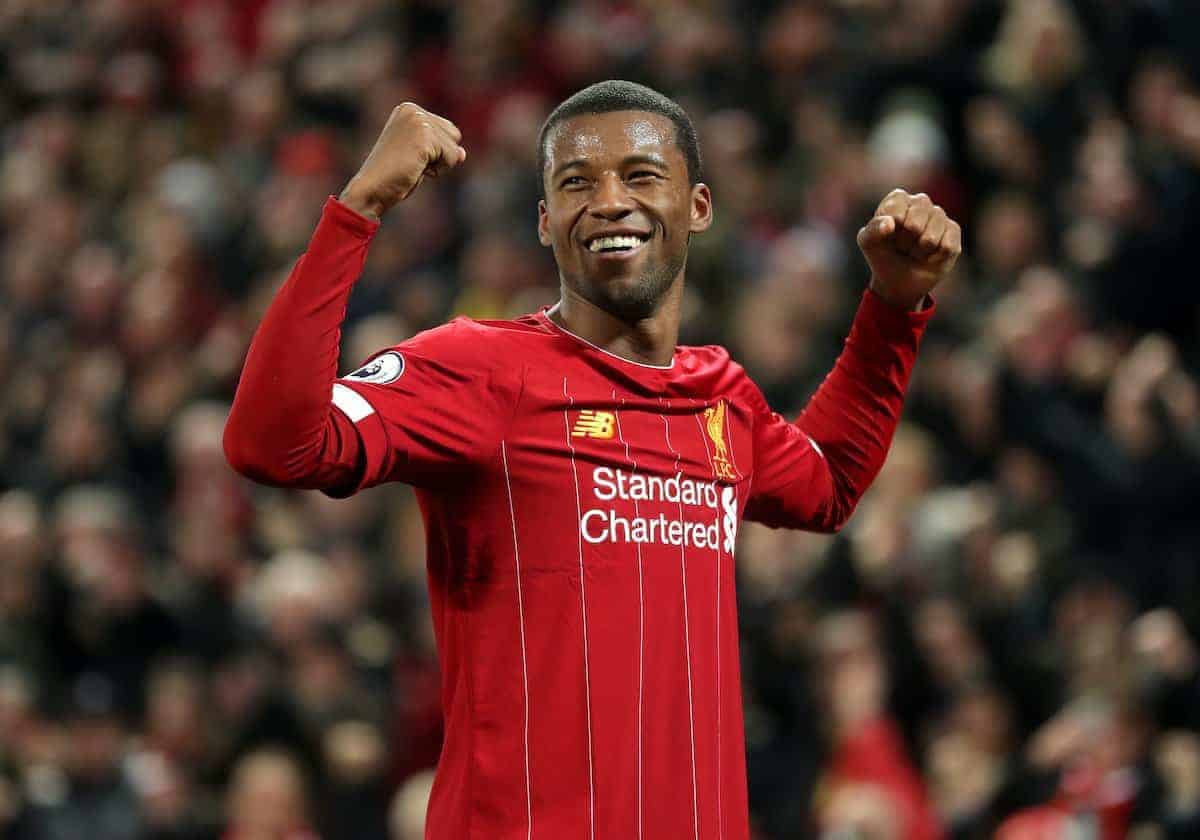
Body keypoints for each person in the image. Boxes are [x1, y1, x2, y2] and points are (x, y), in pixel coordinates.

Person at [223, 80, 961, 839]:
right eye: (576, 182)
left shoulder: (721, 398)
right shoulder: (478, 370)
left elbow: (827, 482)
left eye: (641, 176)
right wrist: (360, 208)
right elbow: (272, 443)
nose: (608, 200)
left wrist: (894, 308)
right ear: (546, 223)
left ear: (698, 206)